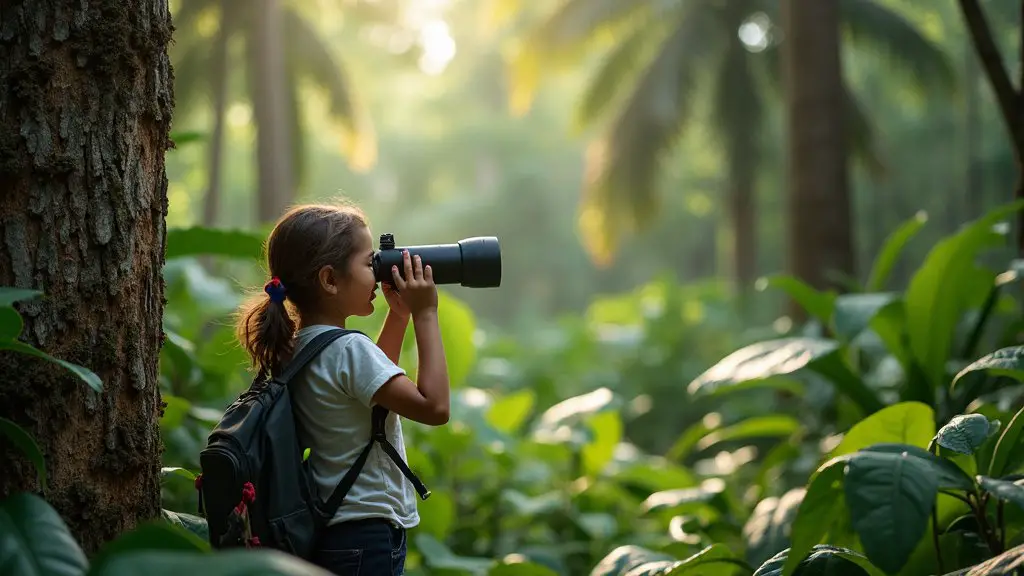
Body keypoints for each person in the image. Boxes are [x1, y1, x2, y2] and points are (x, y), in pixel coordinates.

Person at [233, 202, 451, 576]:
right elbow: (435, 407)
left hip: (336, 531)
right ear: (330, 280)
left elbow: (371, 389)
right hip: (368, 537)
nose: (380, 270)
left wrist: (398, 316)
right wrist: (425, 313)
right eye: (370, 264)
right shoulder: (348, 349)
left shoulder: (300, 347)